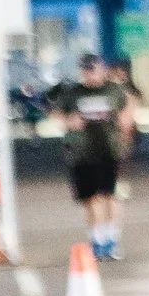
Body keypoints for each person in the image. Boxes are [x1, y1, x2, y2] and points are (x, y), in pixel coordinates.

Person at [54, 52, 132, 259]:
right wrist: (69, 121)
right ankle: (97, 239)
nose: (90, 74)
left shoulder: (114, 91)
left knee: (111, 196)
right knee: (91, 198)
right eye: (86, 70)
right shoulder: (73, 93)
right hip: (83, 153)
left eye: (93, 69)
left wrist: (126, 135)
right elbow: (56, 112)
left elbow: (127, 112)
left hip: (111, 151)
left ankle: (111, 239)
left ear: (102, 69)